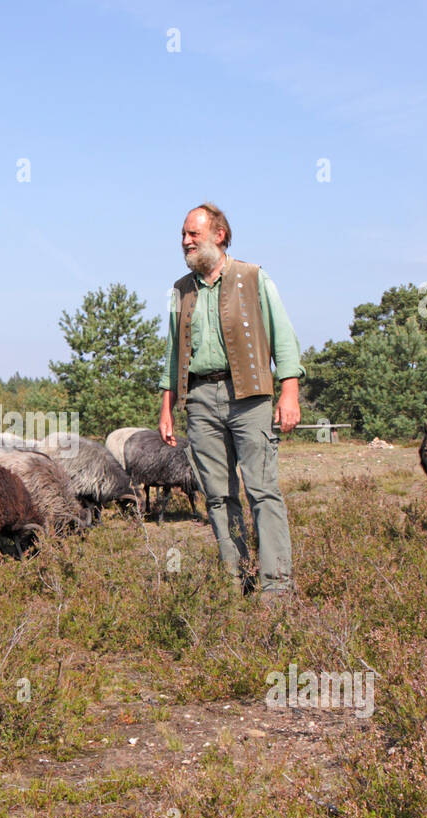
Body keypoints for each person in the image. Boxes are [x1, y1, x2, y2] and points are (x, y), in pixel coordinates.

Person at [157, 203, 304, 600]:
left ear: (219, 235)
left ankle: (276, 587)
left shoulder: (254, 277)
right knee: (218, 495)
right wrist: (167, 406)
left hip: (251, 395)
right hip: (200, 399)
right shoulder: (180, 290)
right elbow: (173, 352)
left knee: (262, 490)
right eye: (183, 236)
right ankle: (236, 581)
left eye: (193, 234)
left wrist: (289, 392)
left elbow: (284, 337)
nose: (186, 241)